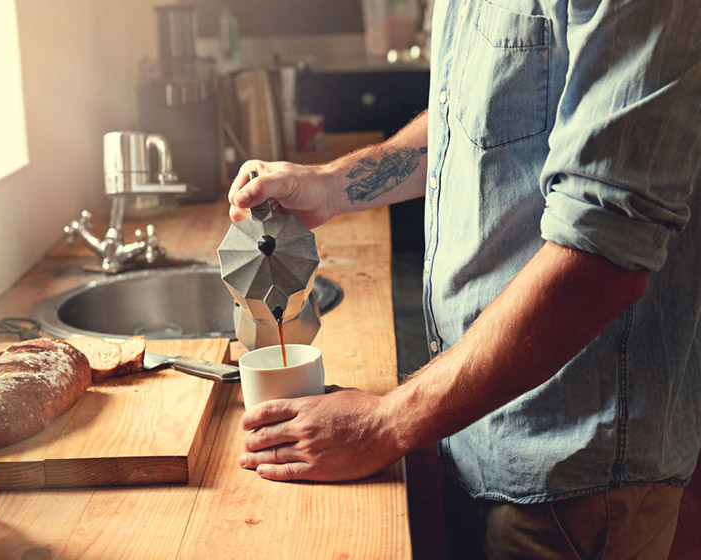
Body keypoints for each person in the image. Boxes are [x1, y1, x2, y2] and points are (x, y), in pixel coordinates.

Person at [226, 1, 701, 558]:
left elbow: (602, 258)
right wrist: (333, 184)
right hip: (468, 422)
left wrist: (382, 424)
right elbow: (479, 114)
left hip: (570, 472)